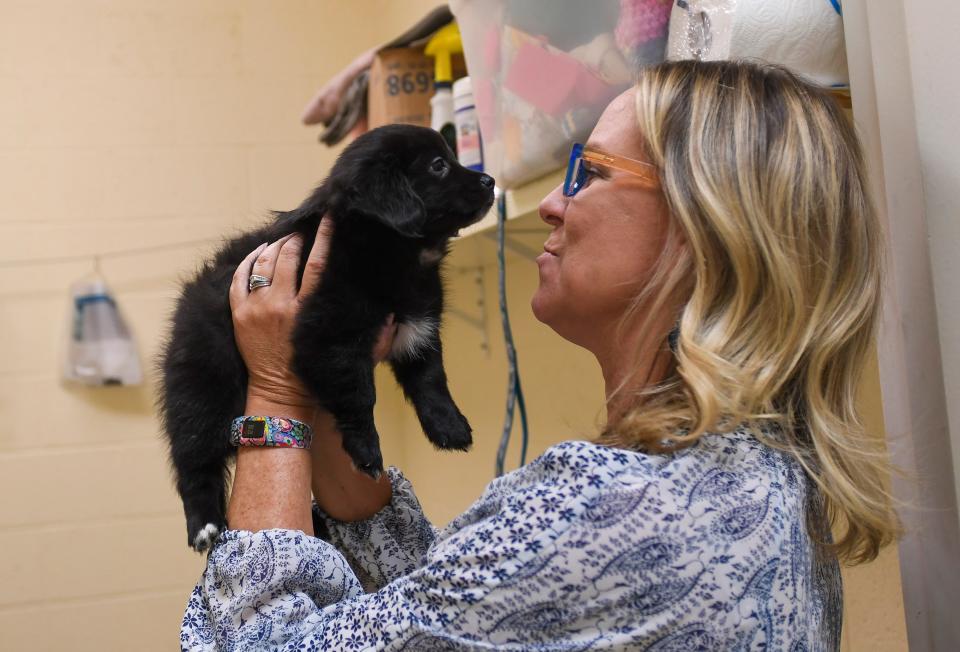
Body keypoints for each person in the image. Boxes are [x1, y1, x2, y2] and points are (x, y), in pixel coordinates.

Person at [180, 60, 900, 651]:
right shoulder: (759, 478)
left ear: (704, 226)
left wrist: (273, 391)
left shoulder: (614, 508)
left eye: (591, 173)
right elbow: (442, 614)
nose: (554, 201)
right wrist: (318, 369)